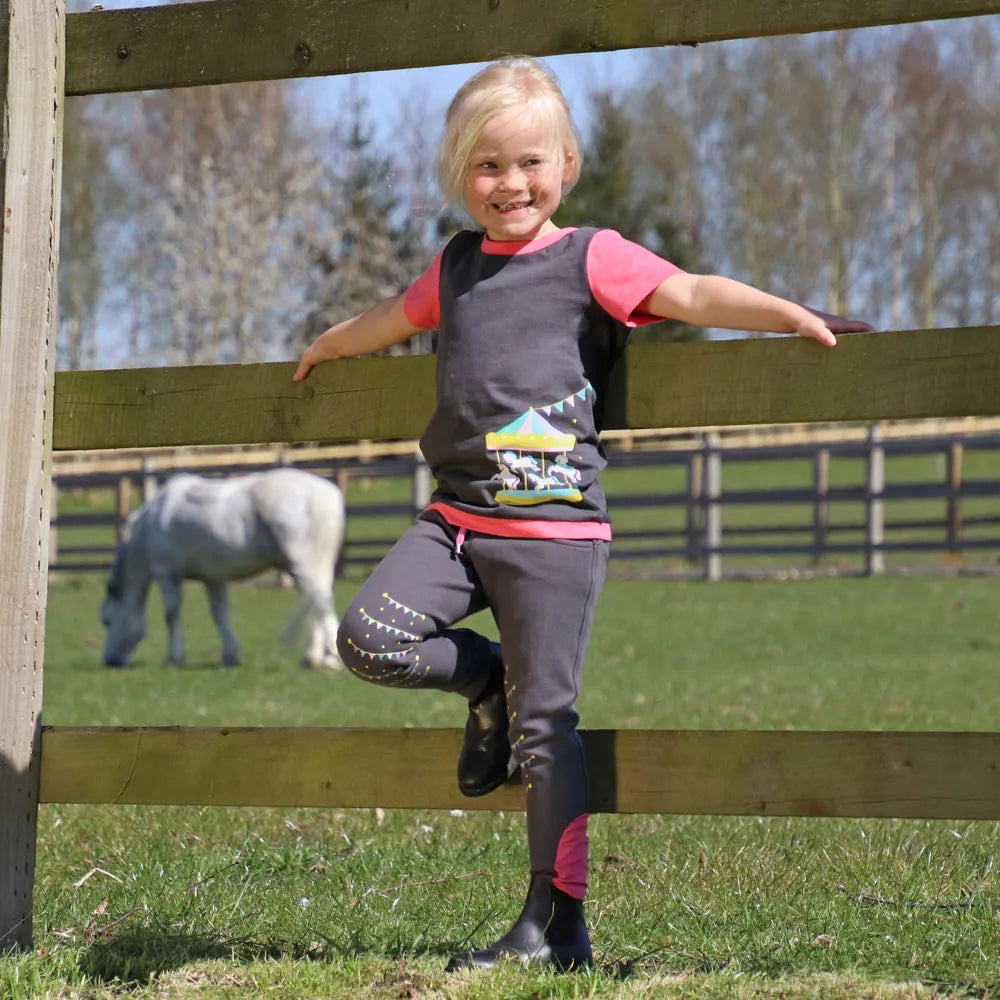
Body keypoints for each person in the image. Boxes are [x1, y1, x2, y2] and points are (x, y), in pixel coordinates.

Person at [293, 56, 872, 973]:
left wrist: (785, 312)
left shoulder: (590, 256)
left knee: (547, 726)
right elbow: (393, 318)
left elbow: (689, 292)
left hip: (552, 534)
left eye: (530, 162)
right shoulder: (454, 266)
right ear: (460, 172)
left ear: (563, 164)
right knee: (367, 638)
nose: (510, 183)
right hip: (455, 521)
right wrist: (329, 343)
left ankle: (556, 924)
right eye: (487, 166)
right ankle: (481, 681)